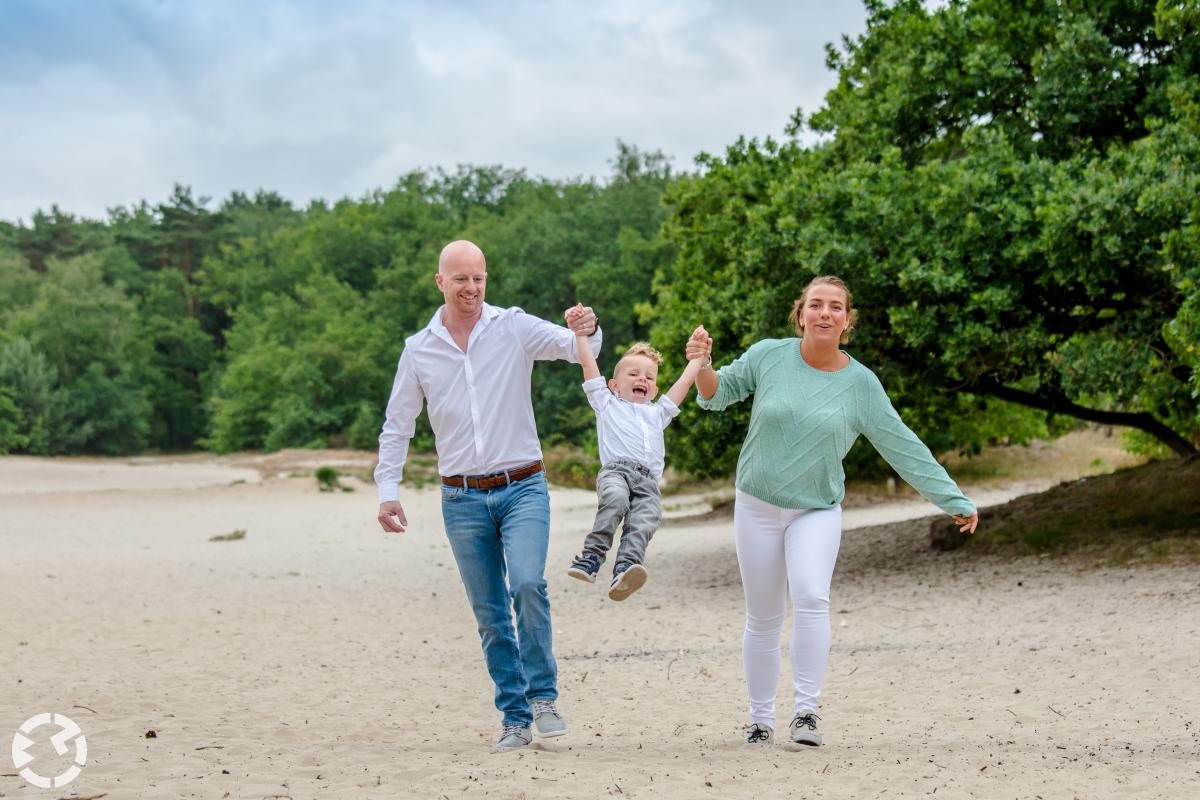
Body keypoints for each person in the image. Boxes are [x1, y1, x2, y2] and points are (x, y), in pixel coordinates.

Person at [688, 275, 979, 747]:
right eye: (816, 305)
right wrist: (701, 364)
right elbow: (716, 395)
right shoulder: (768, 356)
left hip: (816, 510)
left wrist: (952, 499)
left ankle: (806, 713)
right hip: (756, 504)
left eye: (836, 307)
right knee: (762, 616)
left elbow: (903, 446)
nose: (825, 313)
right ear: (800, 314)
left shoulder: (861, 385)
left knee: (810, 596)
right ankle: (760, 720)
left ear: (847, 322)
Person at [375, 240, 602, 750]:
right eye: (460, 279)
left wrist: (587, 327)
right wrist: (388, 490)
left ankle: (543, 697)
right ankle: (515, 717)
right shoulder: (419, 349)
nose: (471, 288)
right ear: (440, 282)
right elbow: (397, 425)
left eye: (478, 277)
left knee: (527, 584)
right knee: (491, 614)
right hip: (461, 499)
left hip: (523, 485)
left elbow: (576, 347)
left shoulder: (514, 327)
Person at [562, 305, 707, 600]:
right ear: (614, 384)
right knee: (614, 500)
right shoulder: (605, 402)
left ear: (653, 390)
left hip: (648, 483)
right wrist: (579, 334)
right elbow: (589, 366)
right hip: (616, 471)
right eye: (634, 374)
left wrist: (699, 357)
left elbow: (684, 383)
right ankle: (591, 557)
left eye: (649, 377)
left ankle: (626, 568)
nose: (642, 379)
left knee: (646, 520)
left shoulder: (659, 412)